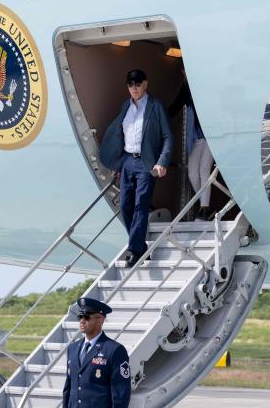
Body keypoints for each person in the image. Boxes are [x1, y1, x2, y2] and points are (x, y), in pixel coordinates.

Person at [100, 69, 173, 268]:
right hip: (127, 161)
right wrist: (117, 162)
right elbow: (119, 134)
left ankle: (134, 250)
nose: (134, 88)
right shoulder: (126, 106)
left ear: (145, 84)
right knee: (125, 206)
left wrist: (162, 162)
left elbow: (168, 136)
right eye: (131, 85)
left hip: (146, 163)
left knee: (141, 205)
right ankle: (140, 246)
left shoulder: (155, 106)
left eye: (138, 84)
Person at [62, 298, 131, 408]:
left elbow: (121, 393)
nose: (82, 320)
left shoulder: (114, 350)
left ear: (101, 320)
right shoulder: (73, 348)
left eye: (87, 317)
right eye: (80, 316)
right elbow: (68, 388)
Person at [168, 71, 215, 221]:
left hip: (214, 135)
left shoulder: (207, 87)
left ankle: (204, 208)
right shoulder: (186, 89)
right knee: (192, 173)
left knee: (203, 169)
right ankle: (206, 206)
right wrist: (159, 119)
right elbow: (174, 107)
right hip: (200, 137)